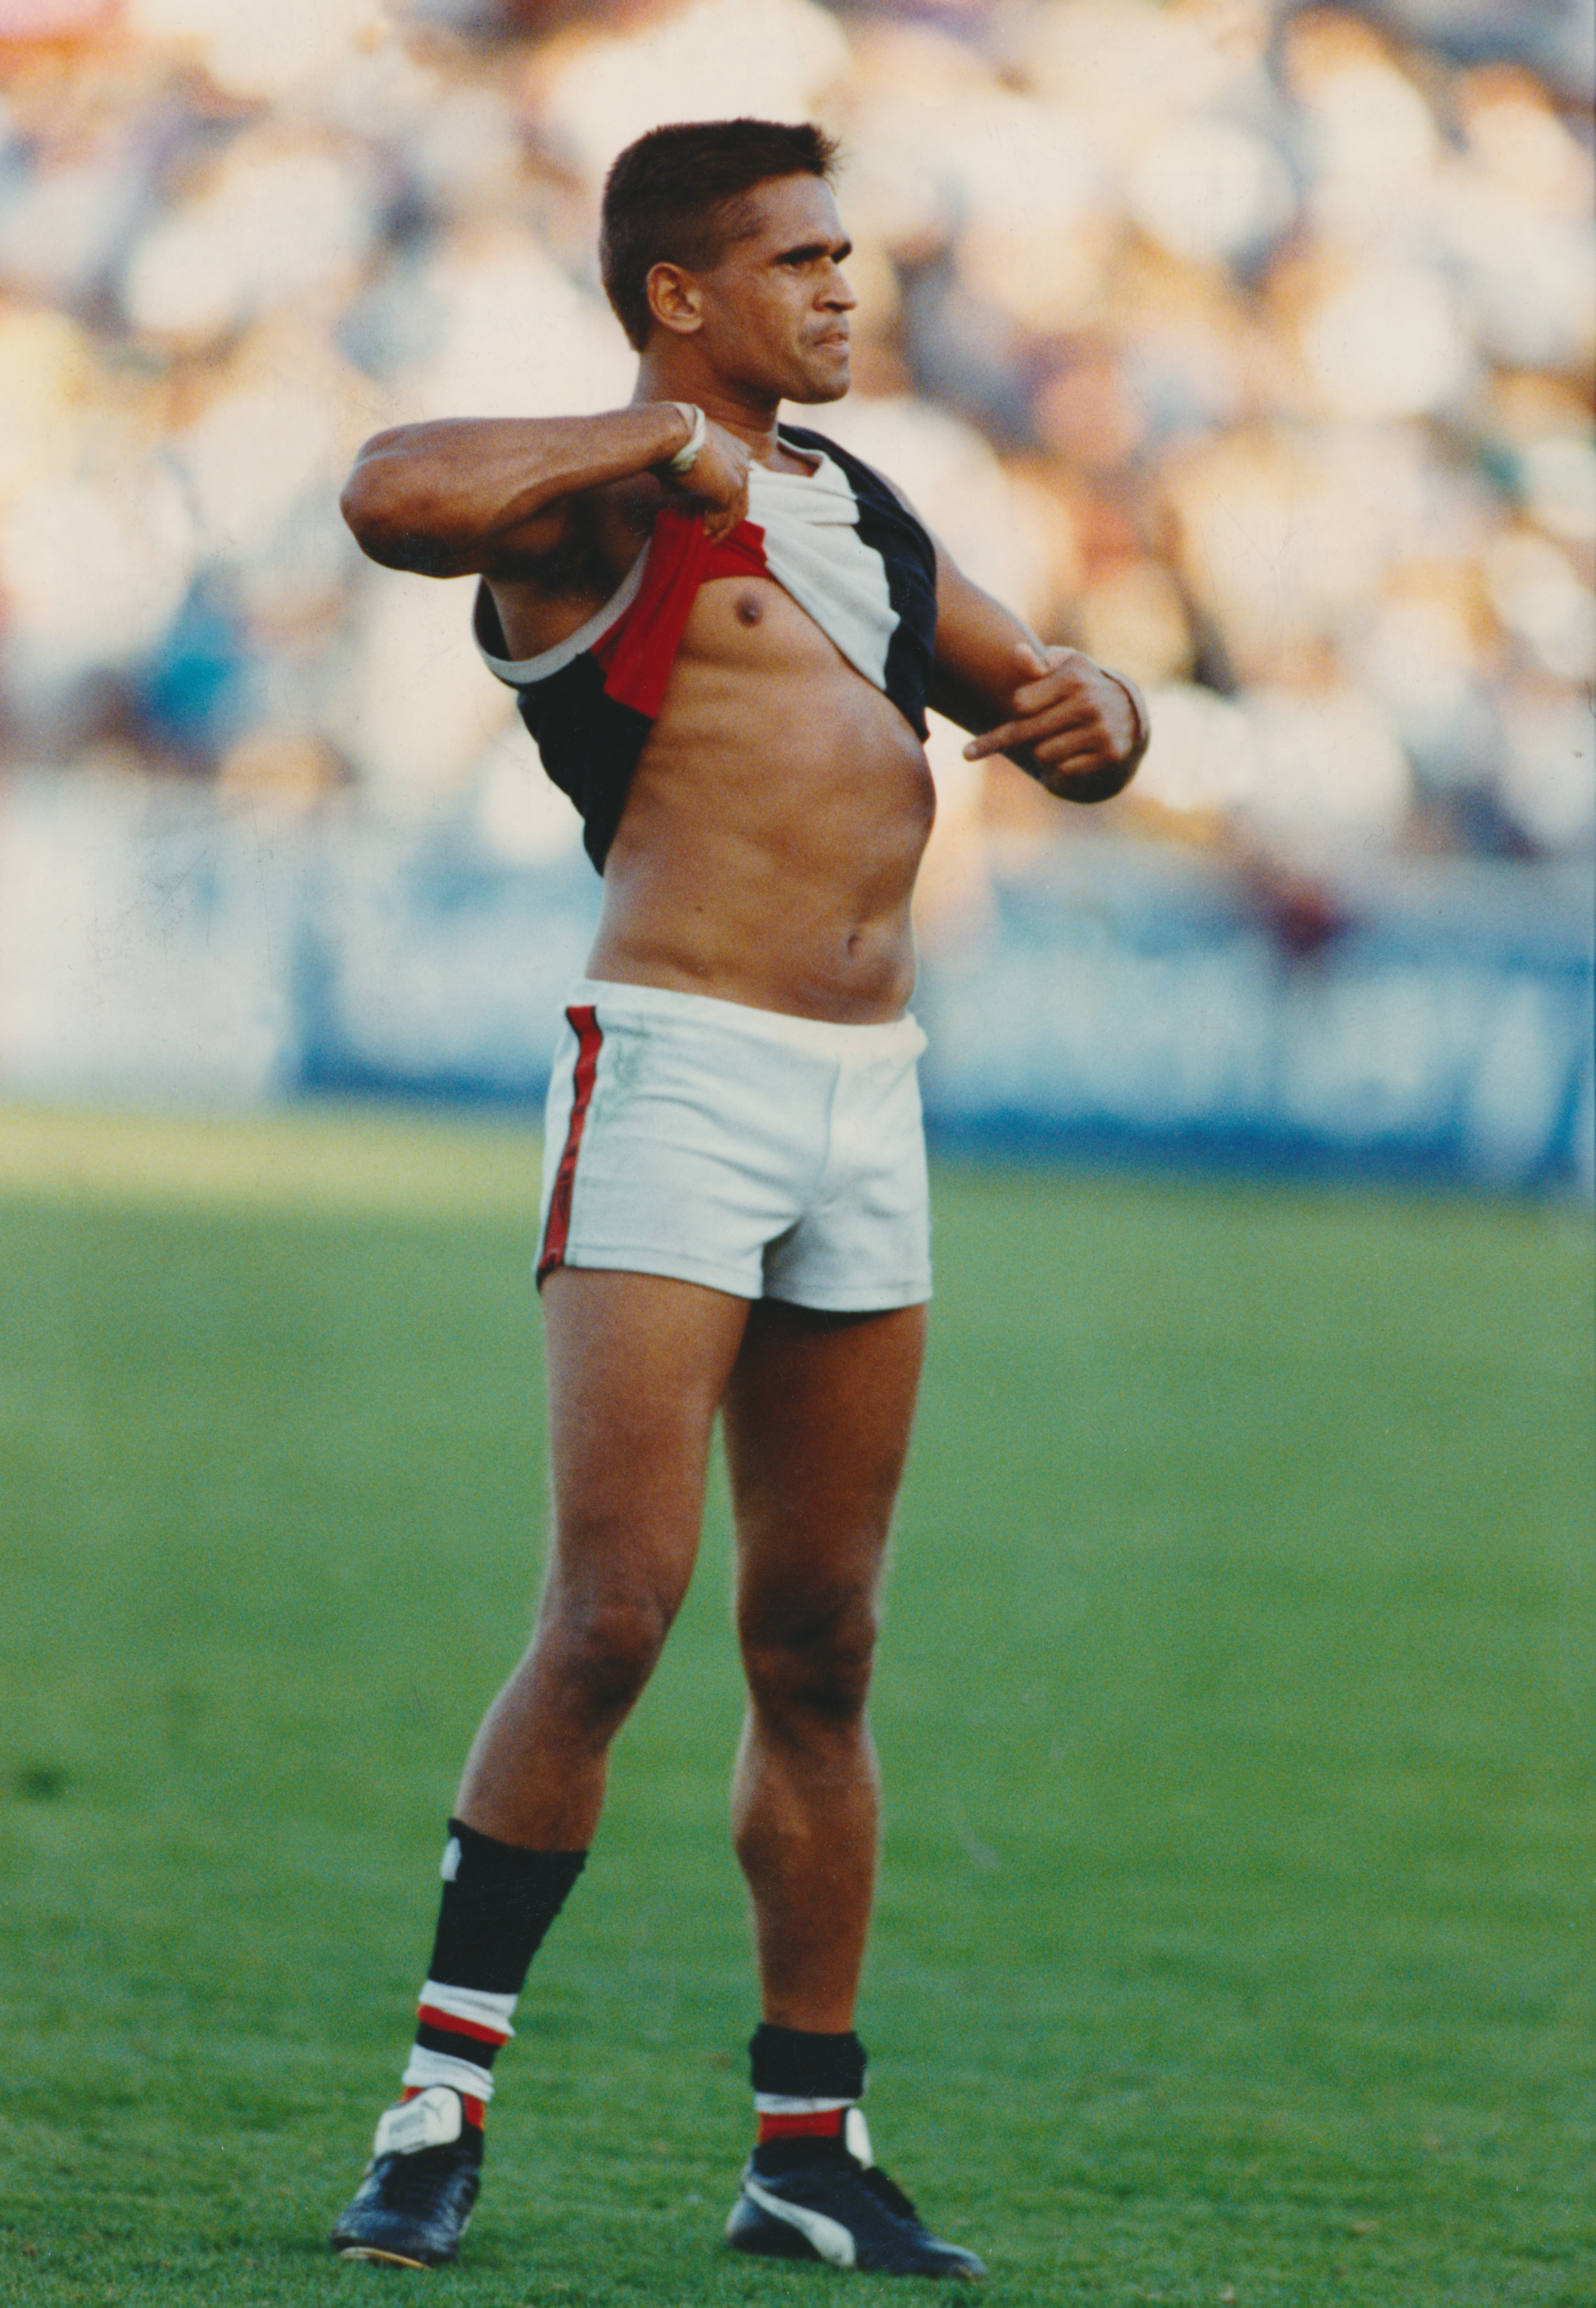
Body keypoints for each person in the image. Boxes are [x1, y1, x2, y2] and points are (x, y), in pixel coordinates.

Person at [330, 116, 1146, 2281]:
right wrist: (643, 440)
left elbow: (1047, 693)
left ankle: (807, 2150)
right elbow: (384, 491)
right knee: (608, 1616)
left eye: (845, 255)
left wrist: (1105, 716)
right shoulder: (605, 495)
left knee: (822, 1642)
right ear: (683, 295)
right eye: (795, 261)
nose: (843, 290)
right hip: (676, 1068)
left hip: (869, 1094)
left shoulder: (856, 505)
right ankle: (434, 2113)